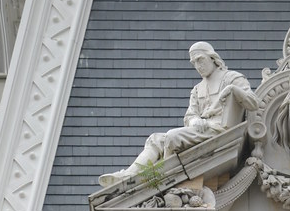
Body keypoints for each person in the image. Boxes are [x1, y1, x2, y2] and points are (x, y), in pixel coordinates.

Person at [99, 41, 258, 187]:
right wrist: (195, 120)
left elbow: (253, 102)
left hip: (221, 131)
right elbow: (190, 116)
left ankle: (160, 180)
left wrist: (233, 89)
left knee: (172, 137)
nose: (198, 66)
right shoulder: (197, 89)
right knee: (156, 139)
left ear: (212, 57)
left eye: (200, 60)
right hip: (202, 131)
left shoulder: (231, 78)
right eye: (194, 62)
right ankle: (130, 175)